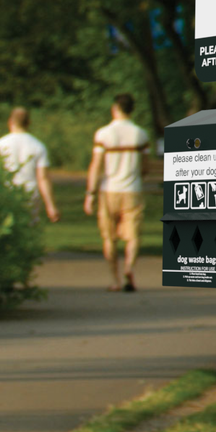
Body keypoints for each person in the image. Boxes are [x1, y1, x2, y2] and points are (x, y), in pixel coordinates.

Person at [84, 93, 151, 291]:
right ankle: (129, 268)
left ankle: (115, 280)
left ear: (115, 108)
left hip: (109, 189)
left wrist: (90, 194)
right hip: (132, 189)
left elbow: (96, 166)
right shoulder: (140, 134)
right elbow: (145, 167)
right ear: (132, 109)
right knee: (133, 235)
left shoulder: (103, 134)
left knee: (109, 237)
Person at [0, 107, 60, 223]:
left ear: (10, 122)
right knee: (29, 228)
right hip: (29, 192)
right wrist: (51, 206)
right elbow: (43, 178)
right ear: (28, 123)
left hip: (6, 192)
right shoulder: (38, 145)